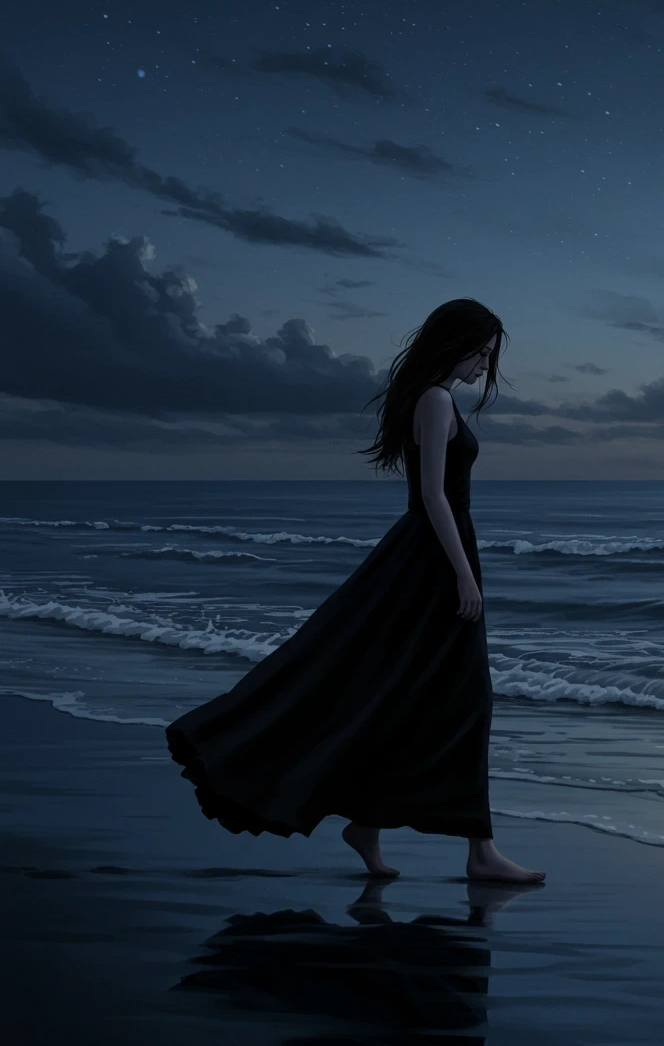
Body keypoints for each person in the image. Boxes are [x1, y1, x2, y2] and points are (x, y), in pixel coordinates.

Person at [165, 297, 546, 884]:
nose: (482, 366)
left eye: (487, 357)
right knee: (465, 701)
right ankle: (479, 853)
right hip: (433, 561)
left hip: (431, 555)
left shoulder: (432, 399)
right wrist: (465, 577)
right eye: (480, 353)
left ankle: (371, 827)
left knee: (408, 694)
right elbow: (432, 497)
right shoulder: (435, 399)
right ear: (456, 343)